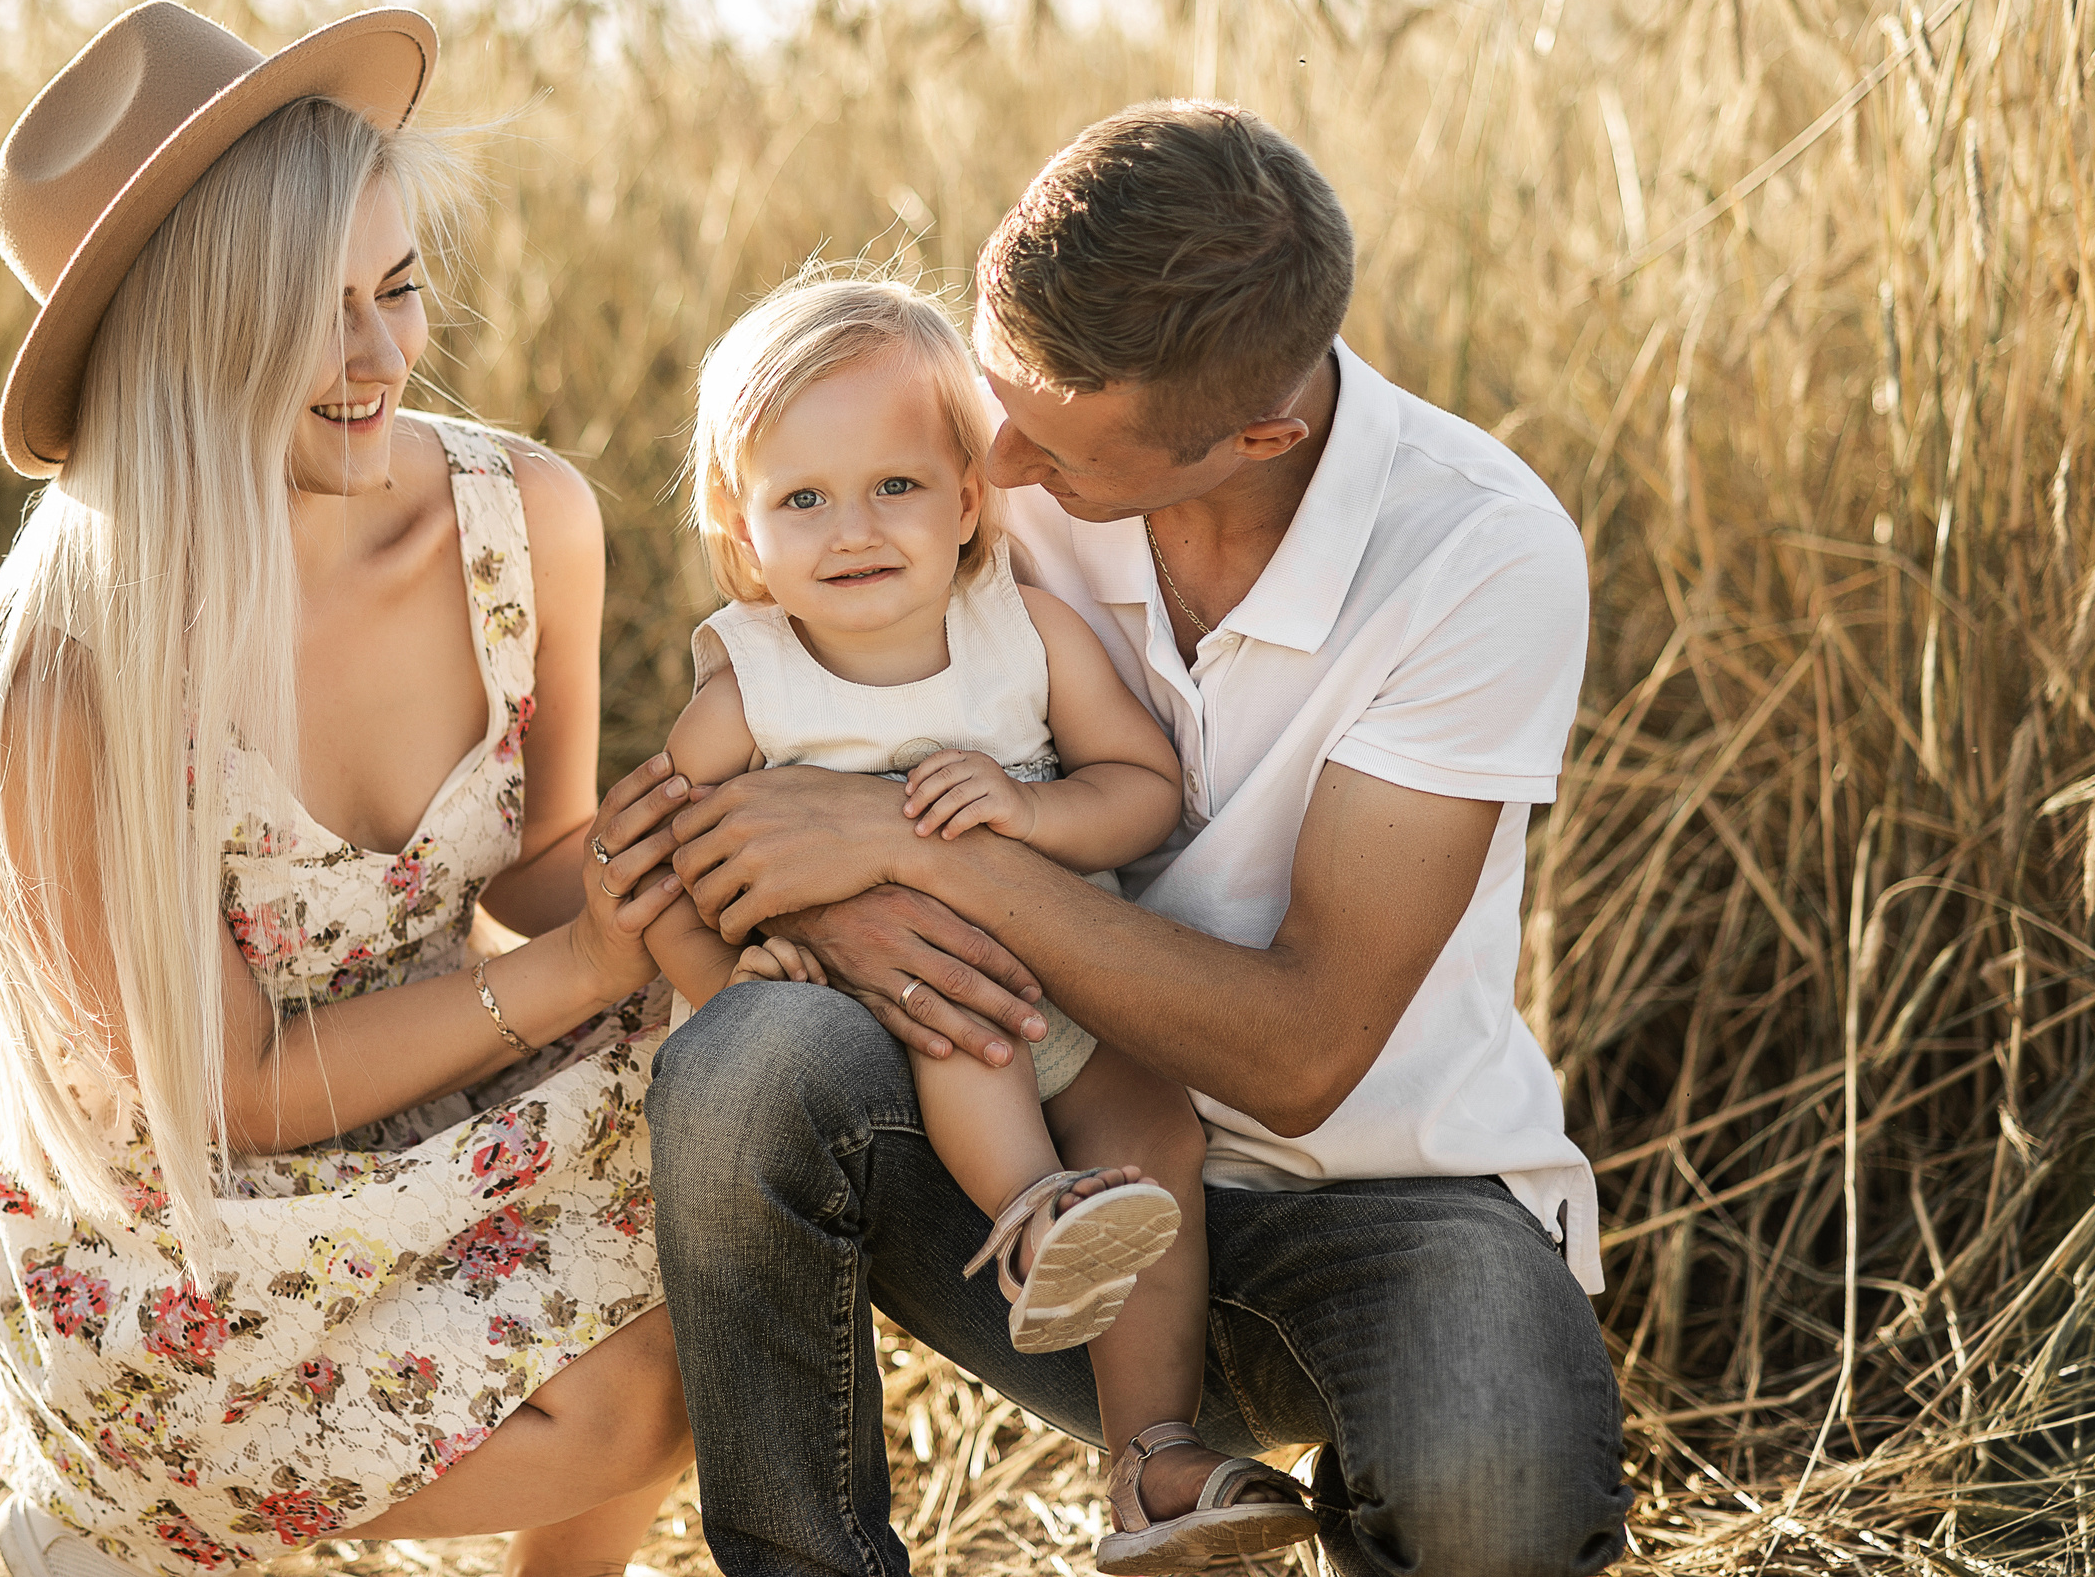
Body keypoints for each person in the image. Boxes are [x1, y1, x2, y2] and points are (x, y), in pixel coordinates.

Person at [606, 103, 1635, 1575]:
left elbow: (1300, 1049)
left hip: (1386, 1194)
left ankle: (1195, 1472)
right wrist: (799, 900)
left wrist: (916, 847)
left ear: (1256, 436)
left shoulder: (1475, 554)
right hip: (1008, 1163)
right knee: (747, 1066)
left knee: (1497, 1498)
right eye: (991, 389)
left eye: (1050, 441)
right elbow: (745, 785)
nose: (995, 460)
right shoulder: (978, 456)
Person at [0, 0, 700, 1577]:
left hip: (430, 1101)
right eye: (310, 311)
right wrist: (575, 970)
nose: (381, 357)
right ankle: (110, 1515)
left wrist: (687, 857)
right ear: (181, 336)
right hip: (174, 1214)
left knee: (734, 1240)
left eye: (399, 286)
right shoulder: (71, 663)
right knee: (631, 1397)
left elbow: (533, 862)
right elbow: (227, 1092)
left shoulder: (523, 521)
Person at [646, 275, 1317, 1571]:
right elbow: (668, 851)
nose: (854, 528)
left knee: (1155, 1124)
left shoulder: (1016, 630)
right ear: (740, 530)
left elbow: (1139, 789)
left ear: (968, 499)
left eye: (897, 484)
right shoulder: (753, 675)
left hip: (1062, 975)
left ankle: (1152, 1457)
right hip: (890, 1024)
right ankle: (1032, 1208)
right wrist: (741, 965)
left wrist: (1023, 810)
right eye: (802, 499)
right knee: (964, 1034)